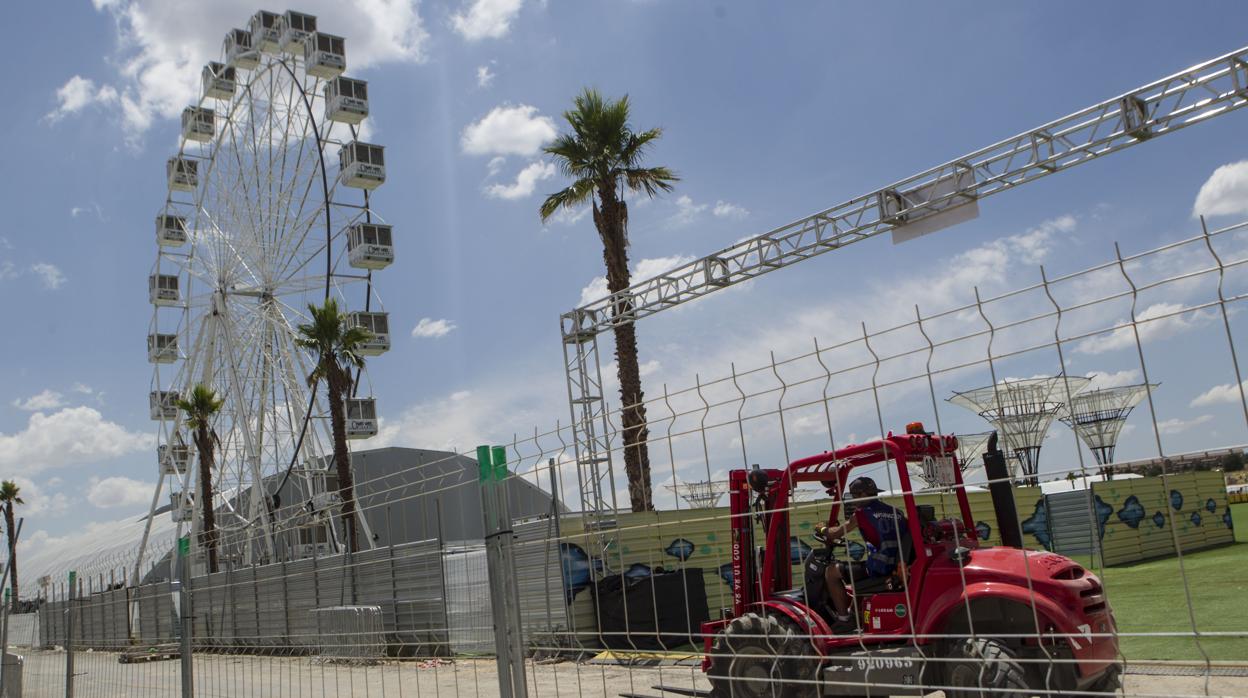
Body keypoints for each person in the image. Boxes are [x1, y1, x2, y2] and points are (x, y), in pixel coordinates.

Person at [814, 476, 908, 629]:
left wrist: (822, 529)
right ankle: (854, 614)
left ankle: (844, 619)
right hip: (896, 565)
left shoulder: (862, 514)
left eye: (854, 495)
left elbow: (836, 533)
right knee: (854, 572)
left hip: (879, 567)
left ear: (863, 495)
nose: (853, 500)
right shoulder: (896, 513)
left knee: (832, 572)